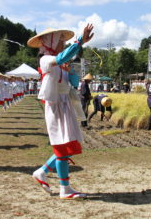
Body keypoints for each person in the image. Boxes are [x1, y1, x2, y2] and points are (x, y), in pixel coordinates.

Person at [28, 24, 94, 199]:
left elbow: (72, 82)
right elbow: (62, 57)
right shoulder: (46, 59)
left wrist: (70, 70)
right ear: (50, 42)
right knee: (62, 146)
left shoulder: (61, 60)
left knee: (69, 145)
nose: (63, 44)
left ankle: (43, 172)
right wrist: (79, 42)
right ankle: (64, 188)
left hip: (65, 105)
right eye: (60, 41)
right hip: (56, 106)